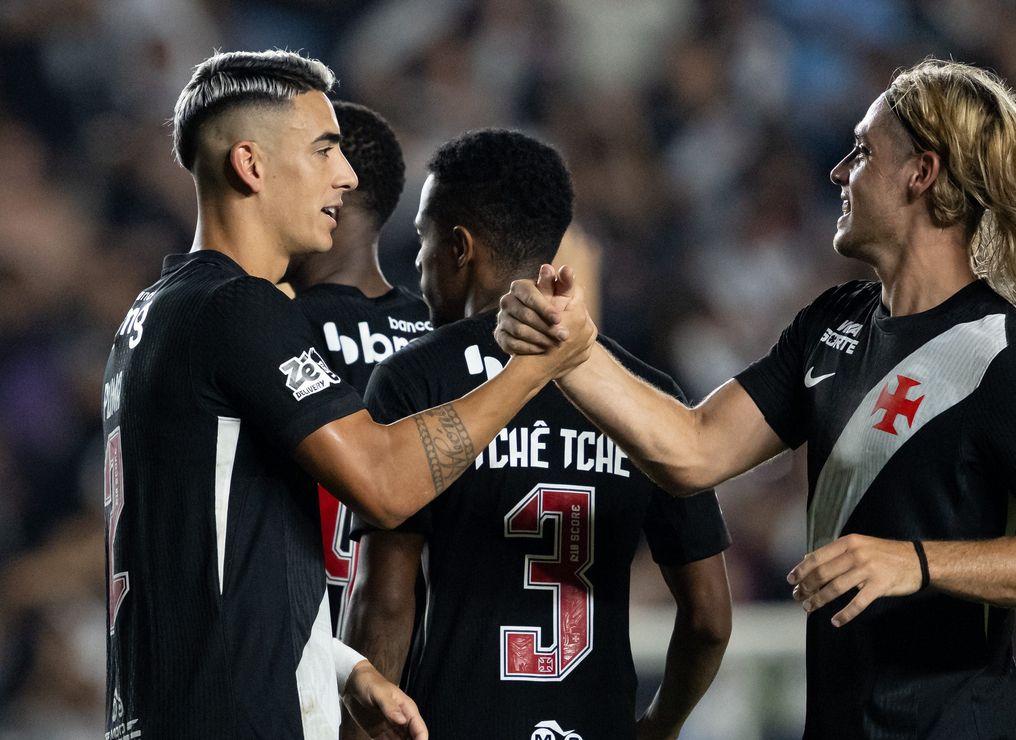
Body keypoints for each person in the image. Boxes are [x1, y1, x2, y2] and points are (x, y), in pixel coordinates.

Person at [496, 59, 1016, 738]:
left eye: (863, 152)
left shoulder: (1006, 356)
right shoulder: (833, 323)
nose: (839, 172)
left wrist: (914, 562)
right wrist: (572, 351)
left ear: (923, 173)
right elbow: (693, 447)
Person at [101, 50, 589, 740]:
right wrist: (533, 368)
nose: (347, 174)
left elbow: (203, 579)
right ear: (251, 164)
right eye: (325, 148)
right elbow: (385, 483)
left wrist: (338, 667)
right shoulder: (237, 306)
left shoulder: (147, 319)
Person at [343, 129, 733, 740]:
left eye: (422, 238)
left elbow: (384, 603)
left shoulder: (413, 379)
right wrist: (659, 725)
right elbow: (709, 618)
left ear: (459, 246)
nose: (417, 262)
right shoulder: (648, 399)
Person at [284, 100, 432, 635]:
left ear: (334, 193)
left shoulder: (271, 330)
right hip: (422, 654)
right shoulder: (445, 338)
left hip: (308, 649)